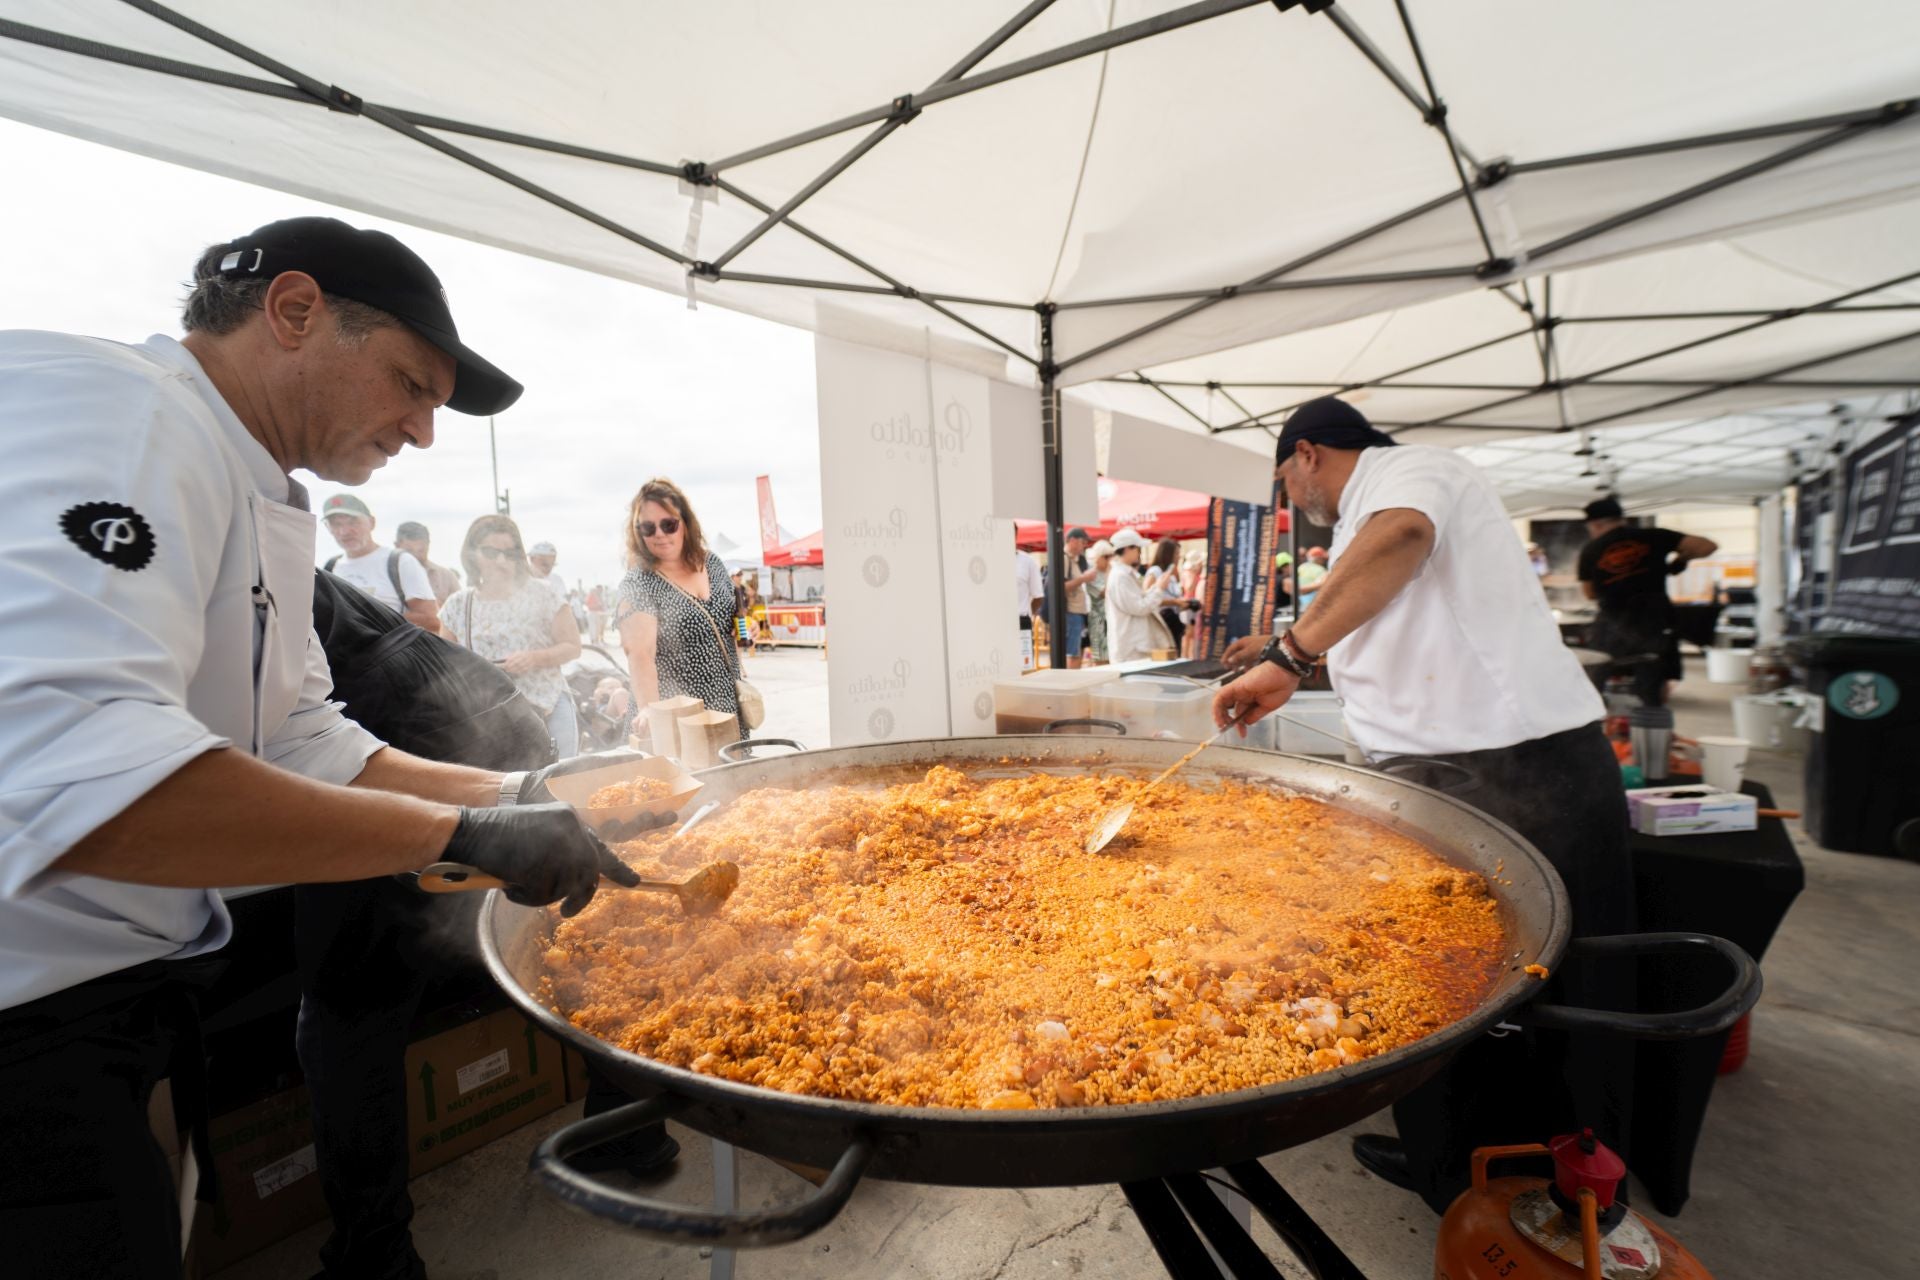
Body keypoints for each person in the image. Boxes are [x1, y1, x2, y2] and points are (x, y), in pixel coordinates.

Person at [0, 215, 642, 1279]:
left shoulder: (254, 490)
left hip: (127, 1001)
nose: (425, 432)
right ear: (294, 311)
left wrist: (529, 789)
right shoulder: (131, 416)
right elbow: (72, 773)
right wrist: (465, 830)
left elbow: (308, 739)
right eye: (413, 384)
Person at [1212, 396, 1631, 1216]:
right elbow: (1402, 618)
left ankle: (1565, 1191)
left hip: (1513, 768)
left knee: (1538, 987)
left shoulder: (1410, 472)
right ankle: (1455, 1163)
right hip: (1447, 773)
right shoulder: (1369, 508)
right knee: (1446, 980)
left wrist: (1290, 657)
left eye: (1286, 481)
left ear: (1306, 454)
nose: (1295, 500)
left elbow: (1402, 540)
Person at [615, 478, 749, 740]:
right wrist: (647, 710)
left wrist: (741, 654)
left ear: (685, 523)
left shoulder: (713, 563)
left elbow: (732, 619)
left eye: (668, 524)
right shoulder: (638, 582)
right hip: (673, 718)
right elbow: (640, 654)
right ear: (637, 532)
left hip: (726, 709)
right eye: (648, 528)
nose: (660, 534)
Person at [442, 515, 584, 758]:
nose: (501, 561)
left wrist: (534, 658)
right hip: (487, 721)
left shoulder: (543, 594)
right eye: (491, 552)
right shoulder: (458, 605)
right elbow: (443, 664)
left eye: (509, 553)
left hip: (546, 708)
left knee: (559, 787)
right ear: (473, 555)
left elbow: (573, 646)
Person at [1577, 497, 1718, 705]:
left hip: (1612, 623)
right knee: (1652, 676)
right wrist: (1680, 560)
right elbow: (1707, 546)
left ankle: (1595, 721)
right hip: (1653, 622)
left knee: (1596, 674)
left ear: (1596, 524)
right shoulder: (1654, 536)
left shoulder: (1591, 550)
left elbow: (1589, 593)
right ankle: (1651, 720)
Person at [321, 493, 440, 633]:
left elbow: (432, 620)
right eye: (336, 524)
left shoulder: (400, 562)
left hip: (388, 652)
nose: (344, 531)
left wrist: (369, 622)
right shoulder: (330, 568)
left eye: (353, 522)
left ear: (372, 522)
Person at [1104, 527, 1177, 663]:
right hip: (1131, 650)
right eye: (1138, 549)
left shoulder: (1124, 574)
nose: (1140, 553)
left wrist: (1156, 588)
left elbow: (1139, 602)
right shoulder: (1120, 577)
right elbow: (1140, 608)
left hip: (1134, 647)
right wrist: (1159, 589)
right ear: (1127, 549)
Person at [393, 520, 461, 605]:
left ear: (428, 544)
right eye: (409, 551)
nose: (415, 556)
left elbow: (460, 612)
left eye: (421, 550)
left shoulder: (447, 577)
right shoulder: (382, 576)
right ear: (396, 546)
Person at [1060, 528, 1099, 668]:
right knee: (1073, 654)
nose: (1084, 546)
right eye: (1083, 542)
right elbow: (1061, 587)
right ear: (1072, 540)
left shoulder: (1076, 560)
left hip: (1078, 612)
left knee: (1077, 652)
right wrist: (1083, 578)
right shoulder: (1064, 558)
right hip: (1071, 612)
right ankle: (1071, 683)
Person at [1085, 539, 1114, 665]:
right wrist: (1110, 572)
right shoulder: (1091, 574)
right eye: (1106, 557)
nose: (1109, 560)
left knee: (1112, 654)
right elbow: (1104, 592)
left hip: (1111, 618)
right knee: (1100, 657)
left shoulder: (1112, 572)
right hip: (1098, 620)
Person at [1014, 546, 1044, 666]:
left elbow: (1038, 596)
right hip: (995, 621)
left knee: (1024, 667)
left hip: (1021, 620)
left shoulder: (1027, 561)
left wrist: (1027, 613)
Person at [526, 539, 570, 609]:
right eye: (544, 564)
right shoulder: (521, 579)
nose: (548, 568)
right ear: (532, 559)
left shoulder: (557, 580)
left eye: (551, 564)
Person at [1295, 544, 1329, 608]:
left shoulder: (1300, 567)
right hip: (1315, 604)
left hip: (1300, 603)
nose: (1324, 561)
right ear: (1318, 558)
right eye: (1323, 559)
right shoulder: (1321, 570)